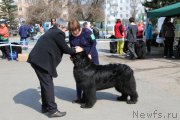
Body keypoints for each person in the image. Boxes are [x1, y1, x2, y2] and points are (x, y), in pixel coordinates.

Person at [27, 19, 83, 118]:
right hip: (41, 61)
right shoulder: (58, 33)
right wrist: (76, 49)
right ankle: (52, 110)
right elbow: (66, 49)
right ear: (61, 27)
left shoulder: (52, 30)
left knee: (45, 84)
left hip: (38, 60)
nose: (66, 31)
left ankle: (45, 107)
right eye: (66, 29)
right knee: (48, 84)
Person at [68, 19, 99, 103]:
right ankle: (79, 97)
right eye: (72, 31)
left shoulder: (88, 32)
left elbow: (94, 43)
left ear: (79, 27)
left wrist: (88, 52)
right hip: (79, 60)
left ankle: (90, 98)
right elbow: (72, 48)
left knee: (92, 78)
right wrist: (72, 56)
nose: (74, 33)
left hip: (92, 56)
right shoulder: (71, 35)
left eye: (75, 30)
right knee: (79, 78)